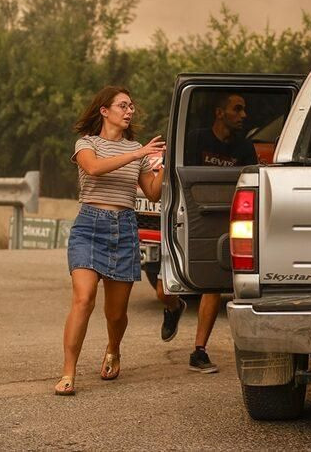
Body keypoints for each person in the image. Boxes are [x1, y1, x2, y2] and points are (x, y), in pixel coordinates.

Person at [55, 86, 165, 396]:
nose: (130, 111)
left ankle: (113, 349)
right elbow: (93, 168)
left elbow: (153, 193)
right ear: (104, 111)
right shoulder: (87, 144)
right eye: (123, 106)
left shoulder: (139, 150)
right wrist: (137, 154)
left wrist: (162, 167)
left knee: (116, 313)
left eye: (132, 106)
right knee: (83, 299)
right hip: (89, 226)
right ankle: (68, 372)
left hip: (124, 229)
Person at [157, 91, 255, 374]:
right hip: (189, 215)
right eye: (237, 109)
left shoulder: (244, 148)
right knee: (163, 290)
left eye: (244, 109)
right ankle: (174, 307)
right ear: (219, 113)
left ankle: (199, 351)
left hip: (222, 217)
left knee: (212, 282)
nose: (243, 115)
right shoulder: (196, 139)